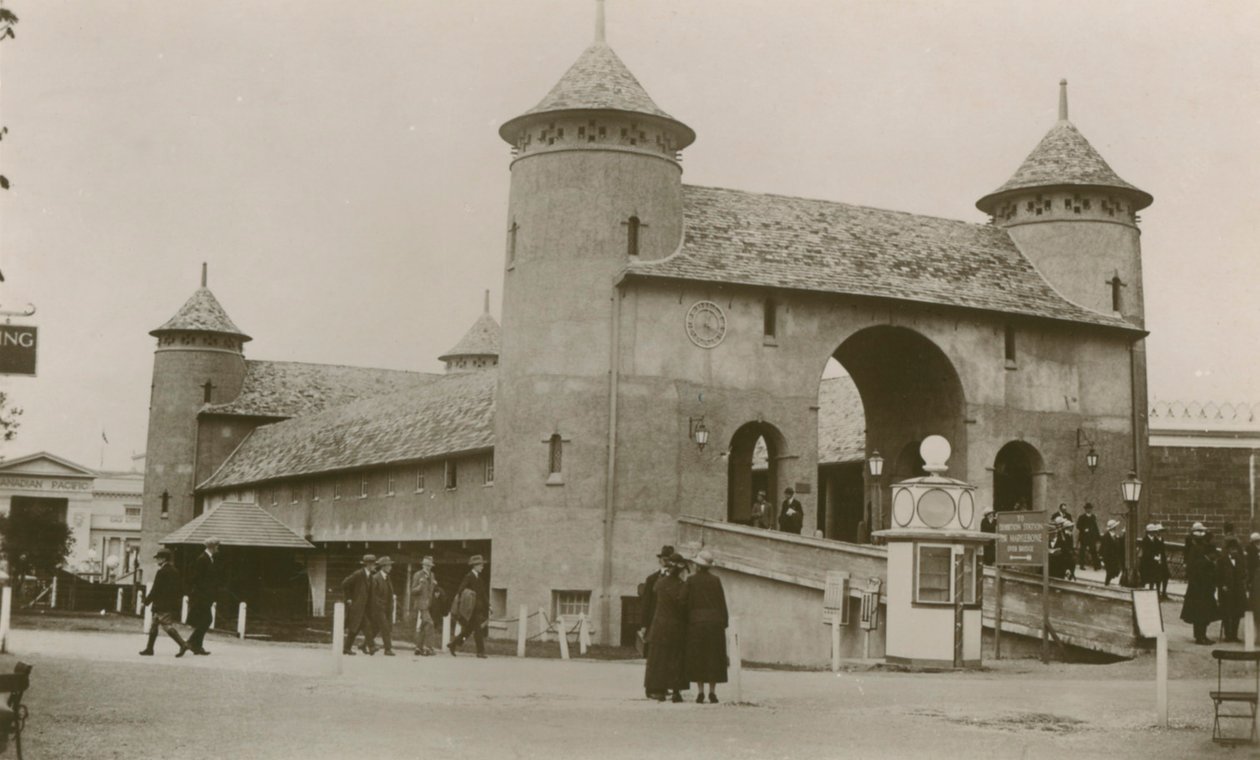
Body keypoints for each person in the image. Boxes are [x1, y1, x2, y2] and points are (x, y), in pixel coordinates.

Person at [644, 553, 689, 703]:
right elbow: (684, 607)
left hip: (660, 625)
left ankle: (658, 690)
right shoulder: (682, 586)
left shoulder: (660, 584)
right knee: (676, 658)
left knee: (658, 658)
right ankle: (676, 690)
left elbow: (654, 592)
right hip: (676, 626)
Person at [684, 550, 728, 704]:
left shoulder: (690, 580)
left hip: (697, 622)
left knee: (699, 657)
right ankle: (713, 692)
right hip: (715, 622)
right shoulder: (716, 580)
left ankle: (700, 692)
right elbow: (722, 602)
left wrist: (687, 620)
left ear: (697, 566)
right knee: (713, 657)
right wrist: (724, 622)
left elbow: (686, 602)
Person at [139, 549, 191, 657]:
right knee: (154, 625)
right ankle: (149, 649)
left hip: (161, 603)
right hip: (169, 603)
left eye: (158, 558)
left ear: (163, 559)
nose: (157, 560)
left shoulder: (162, 571)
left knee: (166, 625)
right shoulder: (175, 570)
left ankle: (183, 644)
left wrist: (145, 602)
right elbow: (180, 589)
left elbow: (155, 589)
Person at [186, 537, 222, 656]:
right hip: (202, 596)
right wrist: (205, 593)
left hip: (205, 596)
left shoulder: (209, 559)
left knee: (205, 620)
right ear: (212, 547)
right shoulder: (202, 559)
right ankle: (191, 642)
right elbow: (196, 578)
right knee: (207, 620)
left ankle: (197, 646)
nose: (218, 548)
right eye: (217, 546)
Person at [640, 545, 674, 670]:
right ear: (660, 560)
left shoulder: (678, 579)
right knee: (655, 654)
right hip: (654, 621)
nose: (666, 562)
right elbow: (646, 603)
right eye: (664, 559)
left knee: (670, 654)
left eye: (669, 559)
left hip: (671, 622)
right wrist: (644, 625)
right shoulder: (651, 579)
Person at [1181, 536, 1220, 645]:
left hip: (1202, 593)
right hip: (1201, 594)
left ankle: (1200, 636)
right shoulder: (1204, 564)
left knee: (1202, 616)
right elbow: (1203, 578)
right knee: (1201, 616)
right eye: (1214, 554)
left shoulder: (1204, 562)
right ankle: (1200, 637)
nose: (1215, 556)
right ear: (1209, 554)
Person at [448, 554, 489, 658]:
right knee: (478, 630)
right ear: (475, 566)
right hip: (471, 609)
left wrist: (489, 606)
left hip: (477, 608)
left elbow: (483, 594)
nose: (482, 567)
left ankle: (453, 644)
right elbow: (461, 590)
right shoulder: (469, 576)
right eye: (481, 565)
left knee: (468, 630)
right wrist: (469, 595)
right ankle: (481, 652)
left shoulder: (479, 578)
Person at [341, 554, 376, 655]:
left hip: (363, 607)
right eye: (373, 564)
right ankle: (372, 646)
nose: (374, 566)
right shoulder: (358, 574)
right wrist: (349, 598)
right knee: (367, 625)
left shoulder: (369, 576)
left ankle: (346, 648)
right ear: (368, 565)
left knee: (354, 629)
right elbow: (344, 584)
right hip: (356, 606)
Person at [1216, 538, 1248, 643]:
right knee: (1226, 612)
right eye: (1232, 549)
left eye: (1236, 549)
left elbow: (1244, 573)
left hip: (1238, 590)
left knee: (1237, 612)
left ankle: (1234, 634)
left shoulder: (1240, 560)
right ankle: (1228, 635)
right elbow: (1218, 575)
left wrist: (1243, 582)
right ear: (1228, 550)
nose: (1234, 551)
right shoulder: (1222, 560)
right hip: (1226, 590)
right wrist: (1222, 585)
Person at [410, 555, 439, 656]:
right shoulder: (418, 575)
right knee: (430, 623)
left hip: (429, 604)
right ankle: (428, 648)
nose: (428, 567)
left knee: (423, 625)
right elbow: (413, 591)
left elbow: (431, 590)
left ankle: (418, 647)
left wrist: (435, 587)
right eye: (426, 565)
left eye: (430, 565)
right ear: (423, 565)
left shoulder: (432, 575)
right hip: (421, 604)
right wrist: (421, 585)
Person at [368, 556, 397, 656]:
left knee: (376, 628)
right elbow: (373, 595)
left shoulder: (387, 578)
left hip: (386, 608)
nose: (391, 567)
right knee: (385, 628)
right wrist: (379, 606)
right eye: (389, 565)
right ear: (383, 566)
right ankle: (388, 649)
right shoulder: (376, 578)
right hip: (378, 608)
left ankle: (364, 644)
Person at [1139, 524, 1170, 599]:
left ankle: (1158, 593)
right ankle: (1151, 593)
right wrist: (1154, 557)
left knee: (1158, 578)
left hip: (1156, 562)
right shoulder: (1145, 540)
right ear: (1148, 532)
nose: (1153, 533)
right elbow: (1146, 552)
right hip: (1148, 563)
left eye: (1154, 531)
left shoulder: (1156, 539)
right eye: (1152, 531)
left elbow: (1159, 548)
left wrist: (1158, 557)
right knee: (1151, 579)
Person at [1076, 503, 1100, 571]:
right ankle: (1081, 565)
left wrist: (1098, 536)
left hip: (1091, 537)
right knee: (1082, 551)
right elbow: (1078, 526)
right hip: (1084, 537)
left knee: (1093, 551)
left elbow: (1095, 526)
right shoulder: (1082, 517)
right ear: (1085, 509)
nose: (1089, 510)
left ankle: (1096, 566)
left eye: (1090, 508)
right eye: (1087, 508)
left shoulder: (1093, 517)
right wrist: (1084, 529)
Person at [1100, 519, 1125, 586]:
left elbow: (1119, 543)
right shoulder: (1106, 536)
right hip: (1108, 558)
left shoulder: (1114, 535)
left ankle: (1107, 583)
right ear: (1113, 528)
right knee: (1110, 571)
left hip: (1114, 558)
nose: (1116, 528)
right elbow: (1104, 548)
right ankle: (1106, 584)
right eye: (1115, 527)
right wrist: (1103, 558)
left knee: (1115, 571)